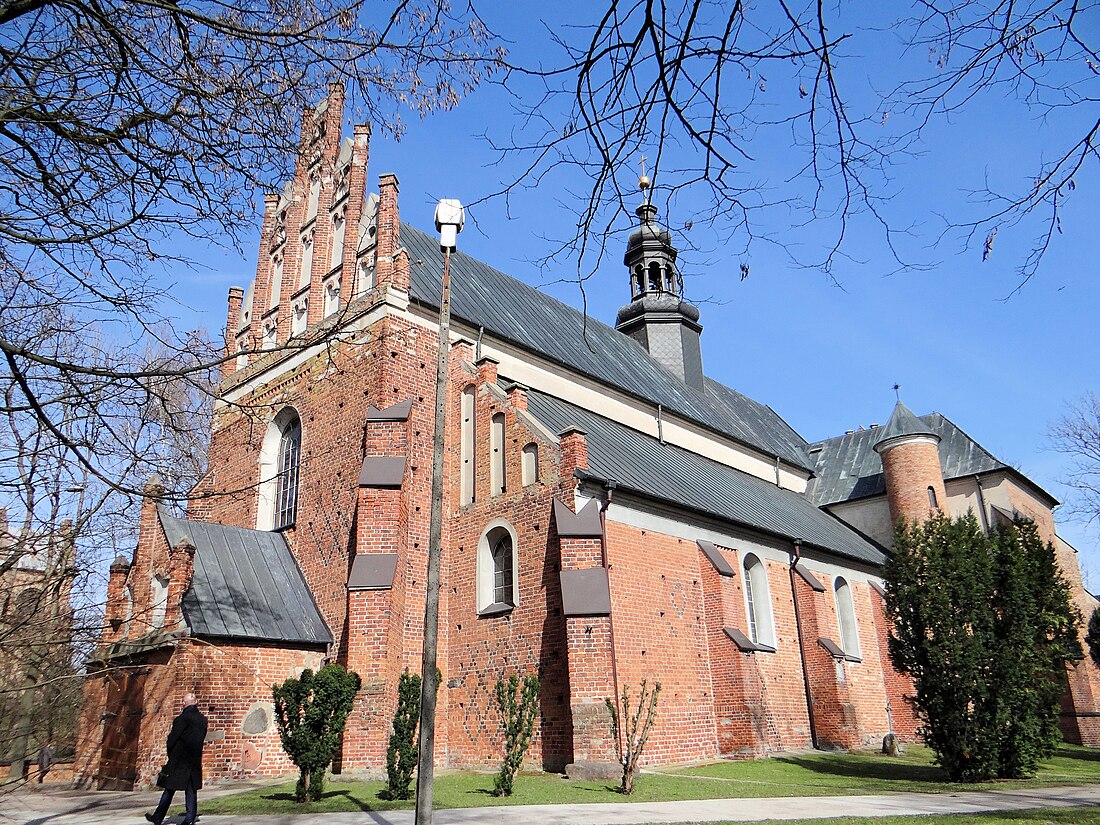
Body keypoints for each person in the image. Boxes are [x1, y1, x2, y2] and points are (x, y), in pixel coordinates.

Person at [146, 692, 207, 825]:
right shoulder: (203, 720)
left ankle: (158, 817)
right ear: (197, 702)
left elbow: (172, 739)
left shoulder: (181, 719)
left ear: (183, 704)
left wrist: (171, 755)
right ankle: (190, 818)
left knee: (169, 789)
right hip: (194, 759)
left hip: (179, 760)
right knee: (191, 790)